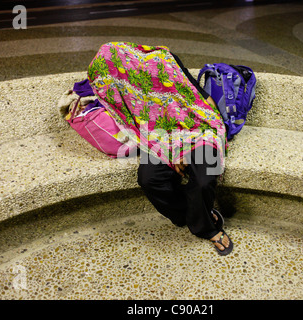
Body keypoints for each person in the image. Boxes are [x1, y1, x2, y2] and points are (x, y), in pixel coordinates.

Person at [88, 42, 233, 255]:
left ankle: (206, 228)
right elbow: (126, 109)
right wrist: (171, 150)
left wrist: (189, 145)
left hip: (198, 127)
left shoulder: (163, 61)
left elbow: (199, 98)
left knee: (204, 179)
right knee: (149, 179)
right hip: (159, 135)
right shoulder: (121, 82)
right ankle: (193, 213)